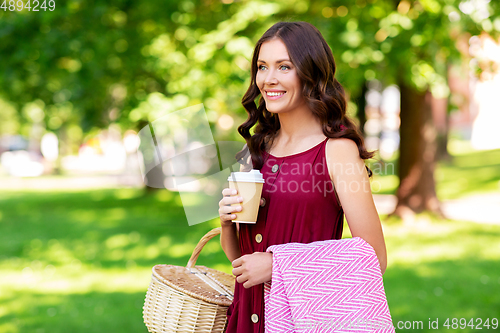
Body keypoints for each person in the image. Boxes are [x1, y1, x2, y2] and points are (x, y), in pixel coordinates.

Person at [218, 21, 388, 333]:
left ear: (311, 73)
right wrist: (227, 223)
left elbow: (374, 257)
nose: (269, 79)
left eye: (284, 67)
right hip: (244, 319)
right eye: (262, 67)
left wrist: (277, 267)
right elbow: (242, 261)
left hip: (300, 321)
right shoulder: (257, 148)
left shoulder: (337, 151)